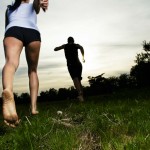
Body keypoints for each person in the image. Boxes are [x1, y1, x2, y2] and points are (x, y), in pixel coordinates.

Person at [1, 0, 48, 127]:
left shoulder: (9, 8)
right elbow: (37, 6)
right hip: (32, 32)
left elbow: (7, 26)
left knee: (10, 62)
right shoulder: (32, 5)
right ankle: (33, 108)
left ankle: (8, 90)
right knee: (33, 71)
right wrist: (41, 2)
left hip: (13, 30)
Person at [54, 37, 85, 102]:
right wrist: (83, 57)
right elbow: (81, 47)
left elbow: (55, 49)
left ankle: (80, 95)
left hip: (71, 65)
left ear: (68, 41)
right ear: (73, 41)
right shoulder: (76, 45)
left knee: (75, 79)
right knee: (78, 80)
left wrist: (60, 47)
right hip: (78, 64)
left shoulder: (65, 46)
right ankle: (82, 96)